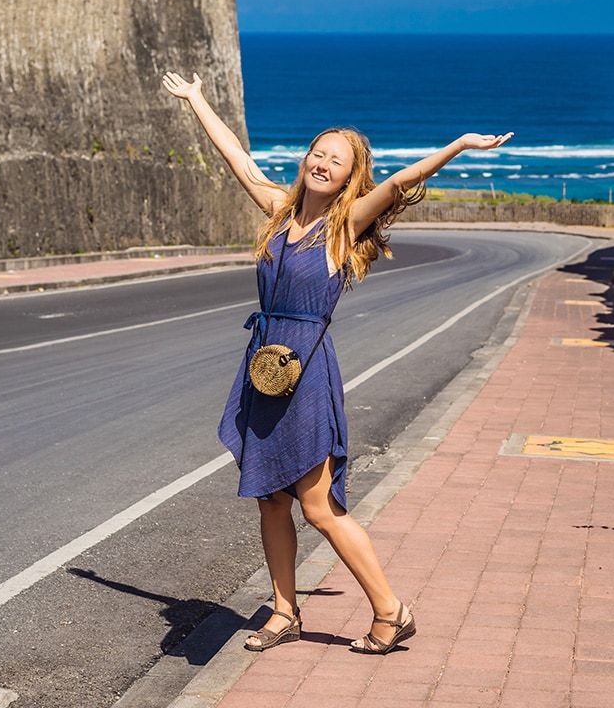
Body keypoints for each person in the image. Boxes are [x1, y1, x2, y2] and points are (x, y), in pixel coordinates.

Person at [162, 70, 511, 655]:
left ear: (350, 177)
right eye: (317, 154)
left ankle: (391, 609)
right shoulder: (279, 209)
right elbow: (239, 161)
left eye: (336, 161)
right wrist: (197, 100)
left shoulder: (342, 227)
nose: (322, 163)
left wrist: (457, 146)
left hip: (306, 375)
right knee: (270, 497)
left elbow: (400, 183)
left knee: (318, 505)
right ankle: (284, 612)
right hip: (263, 368)